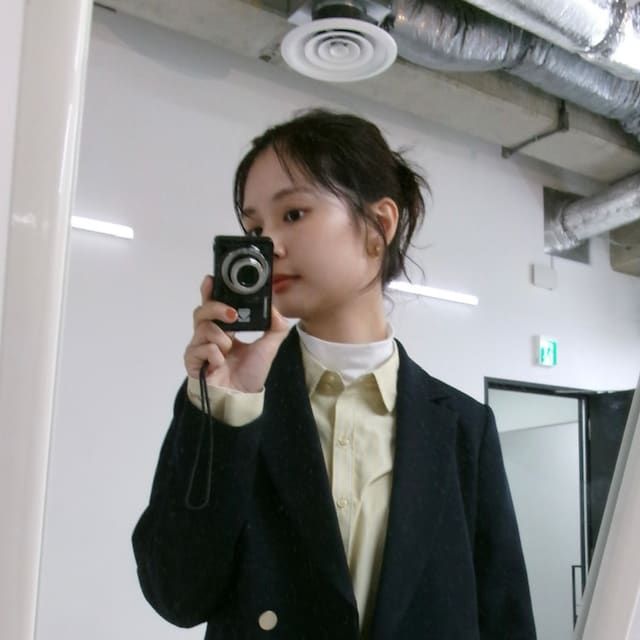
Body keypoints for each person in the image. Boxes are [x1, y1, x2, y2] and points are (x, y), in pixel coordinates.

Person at [132, 109, 536, 639]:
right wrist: (226, 407)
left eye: (293, 213)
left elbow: (505, 618)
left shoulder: (463, 426)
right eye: (254, 227)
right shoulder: (235, 404)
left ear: (379, 226)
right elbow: (176, 595)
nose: (268, 245)